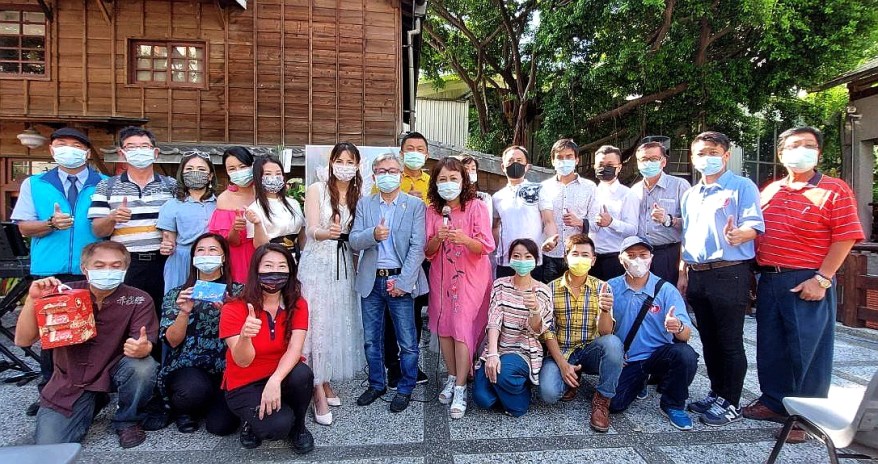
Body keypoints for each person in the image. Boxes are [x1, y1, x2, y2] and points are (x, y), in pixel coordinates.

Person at [743, 126, 864, 443]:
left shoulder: (835, 189)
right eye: (794, 145)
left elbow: (846, 236)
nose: (801, 151)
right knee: (771, 346)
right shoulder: (770, 190)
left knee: (807, 351)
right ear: (781, 154)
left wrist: (823, 278)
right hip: (770, 277)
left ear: (818, 153)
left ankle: (807, 417)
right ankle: (774, 402)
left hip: (807, 278)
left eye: (808, 145)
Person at [14, 241, 158, 448]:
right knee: (50, 446)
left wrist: (142, 349)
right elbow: (23, 340)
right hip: (70, 380)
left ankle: (127, 420)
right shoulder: (61, 294)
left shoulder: (138, 299)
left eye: (116, 266)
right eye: (99, 266)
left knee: (143, 366)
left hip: (113, 369)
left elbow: (144, 342)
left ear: (126, 268)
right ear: (85, 268)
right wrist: (32, 300)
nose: (107, 271)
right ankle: (94, 400)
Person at [11, 127, 107, 416]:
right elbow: (24, 226)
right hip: (50, 270)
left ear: (87, 152)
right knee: (53, 334)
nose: (69, 149)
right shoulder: (35, 183)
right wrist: (51, 224)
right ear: (52, 150)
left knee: (92, 332)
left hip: (93, 269)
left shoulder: (103, 183)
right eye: (62, 144)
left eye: (76, 145)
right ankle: (49, 392)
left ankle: (92, 392)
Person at [679, 131, 764, 426]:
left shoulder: (742, 186)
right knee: (709, 339)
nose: (707, 158)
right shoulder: (691, 194)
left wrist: (740, 234)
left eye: (713, 152)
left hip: (730, 271)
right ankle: (716, 393)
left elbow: (754, 225)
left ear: (726, 155)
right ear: (693, 158)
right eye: (701, 153)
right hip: (698, 273)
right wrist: (683, 271)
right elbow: (687, 235)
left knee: (729, 340)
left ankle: (731, 401)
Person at [350, 152, 427, 413]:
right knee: (372, 339)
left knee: (407, 341)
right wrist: (373, 234)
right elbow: (354, 241)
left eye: (392, 171)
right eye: (381, 171)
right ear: (374, 176)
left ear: (401, 175)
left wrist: (404, 282)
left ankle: (405, 387)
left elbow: (418, 246)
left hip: (400, 281)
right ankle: (376, 384)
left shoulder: (414, 206)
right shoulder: (365, 204)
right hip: (371, 281)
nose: (387, 175)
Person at [219, 243, 315, 454]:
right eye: (268, 266)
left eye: (282, 266)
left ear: (291, 271)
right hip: (245, 382)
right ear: (256, 269)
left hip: (280, 375)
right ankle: (250, 421)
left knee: (303, 374)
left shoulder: (298, 304)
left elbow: (295, 348)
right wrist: (245, 337)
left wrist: (275, 380)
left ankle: (299, 427)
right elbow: (242, 360)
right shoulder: (233, 307)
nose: (275, 272)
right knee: (277, 427)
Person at [299, 142, 366, 426]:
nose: (344, 166)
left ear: (357, 165)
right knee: (317, 322)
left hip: (343, 264)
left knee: (335, 322)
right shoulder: (316, 189)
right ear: (331, 162)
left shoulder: (358, 193)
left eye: (350, 162)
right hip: (318, 262)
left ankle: (324, 379)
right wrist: (327, 233)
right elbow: (310, 229)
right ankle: (316, 389)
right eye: (340, 160)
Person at [424, 157, 495, 419]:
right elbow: (427, 250)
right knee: (444, 327)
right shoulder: (432, 211)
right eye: (442, 179)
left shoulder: (476, 207)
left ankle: (462, 387)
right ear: (435, 183)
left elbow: (486, 246)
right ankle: (453, 376)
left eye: (453, 178)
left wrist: (465, 239)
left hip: (470, 278)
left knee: (462, 328)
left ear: (463, 181)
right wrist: (437, 238)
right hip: (441, 277)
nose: (448, 183)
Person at [607, 236, 698, 431]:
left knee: (685, 354)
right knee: (614, 404)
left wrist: (677, 327)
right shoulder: (610, 288)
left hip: (659, 355)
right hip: (628, 359)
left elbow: (685, 335)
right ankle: (640, 381)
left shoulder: (666, 290)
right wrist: (614, 355)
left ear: (651, 258)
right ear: (621, 259)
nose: (638, 261)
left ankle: (673, 405)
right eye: (631, 255)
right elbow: (602, 330)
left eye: (643, 255)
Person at [158, 233, 242, 435]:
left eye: (213, 250)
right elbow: (172, 341)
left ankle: (213, 403)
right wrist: (184, 312)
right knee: (193, 390)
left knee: (222, 427)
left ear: (223, 257)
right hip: (188, 364)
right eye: (200, 250)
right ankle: (184, 410)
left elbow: (249, 335)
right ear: (193, 258)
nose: (206, 255)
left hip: (227, 365)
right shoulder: (178, 294)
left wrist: (228, 312)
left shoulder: (239, 293)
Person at [89, 126, 176, 320]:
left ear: (155, 152)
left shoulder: (171, 185)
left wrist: (172, 239)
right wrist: (111, 218)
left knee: (161, 314)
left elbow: (180, 222)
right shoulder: (107, 186)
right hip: (126, 262)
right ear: (122, 153)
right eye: (131, 147)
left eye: (144, 146)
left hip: (163, 262)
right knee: (124, 316)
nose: (139, 151)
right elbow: (97, 230)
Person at [539, 234, 621, 433]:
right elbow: (547, 331)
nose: (580, 259)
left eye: (585, 255)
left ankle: (602, 400)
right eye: (575, 254)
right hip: (562, 351)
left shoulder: (602, 287)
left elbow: (606, 332)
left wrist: (604, 310)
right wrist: (562, 364)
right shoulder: (550, 289)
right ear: (566, 258)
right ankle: (571, 377)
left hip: (590, 351)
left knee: (613, 343)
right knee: (549, 394)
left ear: (593, 260)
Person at [472, 239, 553, 417]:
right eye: (517, 256)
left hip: (524, 351)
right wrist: (492, 354)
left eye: (527, 256)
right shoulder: (500, 284)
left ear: (536, 260)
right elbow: (494, 319)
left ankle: (519, 395)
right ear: (510, 259)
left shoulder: (543, 291)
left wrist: (535, 310)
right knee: (481, 398)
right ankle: (510, 388)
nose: (522, 261)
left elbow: (537, 330)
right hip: (499, 347)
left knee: (504, 375)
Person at [492, 145, 557, 282]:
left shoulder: (538, 189)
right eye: (510, 161)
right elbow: (495, 226)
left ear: (527, 166)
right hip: (505, 261)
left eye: (519, 160)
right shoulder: (497, 197)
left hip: (532, 260)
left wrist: (551, 239)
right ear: (503, 167)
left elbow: (548, 221)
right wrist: (498, 247)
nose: (515, 164)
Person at [157, 153, 218, 293]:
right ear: (182, 174)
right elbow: (168, 240)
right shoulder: (171, 205)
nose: (195, 172)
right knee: (180, 301)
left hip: (212, 260)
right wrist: (167, 247)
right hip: (181, 262)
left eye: (201, 169)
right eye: (189, 169)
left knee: (210, 302)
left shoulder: (220, 204)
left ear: (210, 176)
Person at [631, 142, 690, 283]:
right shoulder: (634, 190)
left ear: (663, 162)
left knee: (667, 294)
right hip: (641, 254)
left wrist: (668, 220)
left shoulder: (679, 185)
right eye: (644, 159)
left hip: (669, 254)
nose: (648, 163)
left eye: (653, 159)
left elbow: (692, 224)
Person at [539, 139, 597, 282]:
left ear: (577, 160)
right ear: (553, 161)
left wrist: (580, 222)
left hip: (578, 256)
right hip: (551, 254)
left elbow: (597, 223)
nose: (564, 161)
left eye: (569, 156)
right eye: (559, 157)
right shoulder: (543, 187)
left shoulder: (589, 187)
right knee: (550, 292)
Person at [588, 145, 639, 281]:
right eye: (601, 165)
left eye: (610, 165)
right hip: (590, 258)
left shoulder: (628, 195)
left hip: (614, 259)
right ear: (595, 167)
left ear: (619, 167)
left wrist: (611, 222)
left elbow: (633, 230)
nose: (605, 168)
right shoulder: (590, 192)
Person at [209, 147, 257, 283]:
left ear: (252, 165)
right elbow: (228, 242)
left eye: (242, 167)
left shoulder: (264, 193)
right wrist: (235, 228)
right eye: (232, 169)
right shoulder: (224, 199)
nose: (238, 172)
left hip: (266, 256)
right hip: (238, 260)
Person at [245, 156, 305, 256]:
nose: (274, 178)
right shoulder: (254, 209)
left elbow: (302, 234)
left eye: (278, 173)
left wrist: (303, 254)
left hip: (297, 257)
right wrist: (257, 223)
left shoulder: (294, 203)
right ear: (258, 177)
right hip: (272, 257)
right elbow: (259, 245)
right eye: (268, 174)